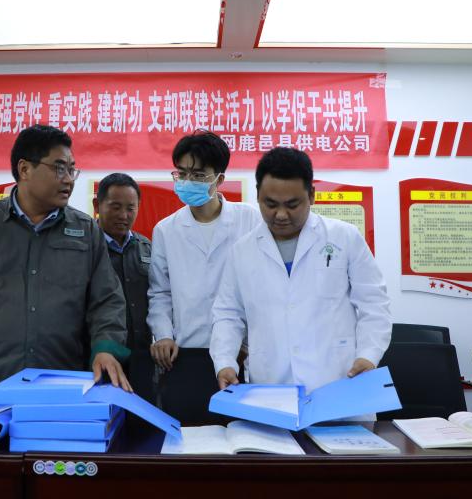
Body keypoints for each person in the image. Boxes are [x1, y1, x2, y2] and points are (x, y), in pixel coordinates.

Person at [0, 124, 131, 414]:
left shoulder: (85, 230)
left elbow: (107, 301)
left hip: (62, 387)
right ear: (24, 169)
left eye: (72, 169)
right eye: (59, 168)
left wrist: (105, 348)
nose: (68, 179)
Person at [210, 147, 391, 394]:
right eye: (270, 204)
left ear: (312, 195)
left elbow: (374, 303)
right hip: (271, 383)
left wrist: (369, 355)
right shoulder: (242, 251)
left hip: (337, 380)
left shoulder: (344, 237)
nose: (281, 215)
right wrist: (224, 362)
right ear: (258, 195)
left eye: (292, 205)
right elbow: (228, 314)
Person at [147, 130, 260, 370]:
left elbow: (262, 285)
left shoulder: (250, 219)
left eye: (198, 175)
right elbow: (160, 293)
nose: (188, 181)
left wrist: (248, 340)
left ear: (219, 179)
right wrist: (163, 335)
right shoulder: (166, 230)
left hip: (241, 350)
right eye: (182, 173)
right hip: (186, 349)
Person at [93, 173, 152, 350]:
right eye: (116, 207)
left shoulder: (147, 247)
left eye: (130, 208)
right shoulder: (85, 247)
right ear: (97, 205)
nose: (123, 216)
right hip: (98, 352)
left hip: (141, 352)